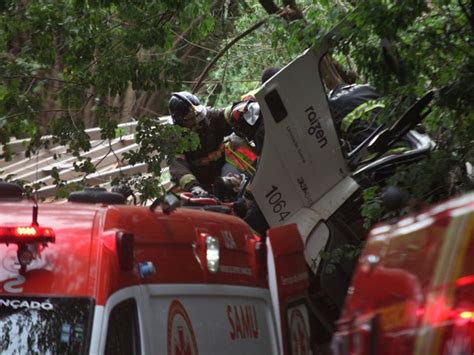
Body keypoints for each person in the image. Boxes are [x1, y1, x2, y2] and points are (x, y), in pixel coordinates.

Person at [168, 91, 233, 197]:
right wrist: (193, 186)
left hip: (222, 169)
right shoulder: (175, 136)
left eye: (198, 116)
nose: (197, 122)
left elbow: (223, 115)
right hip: (198, 179)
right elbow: (177, 164)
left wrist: (237, 110)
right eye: (191, 120)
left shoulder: (208, 116)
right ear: (180, 121)